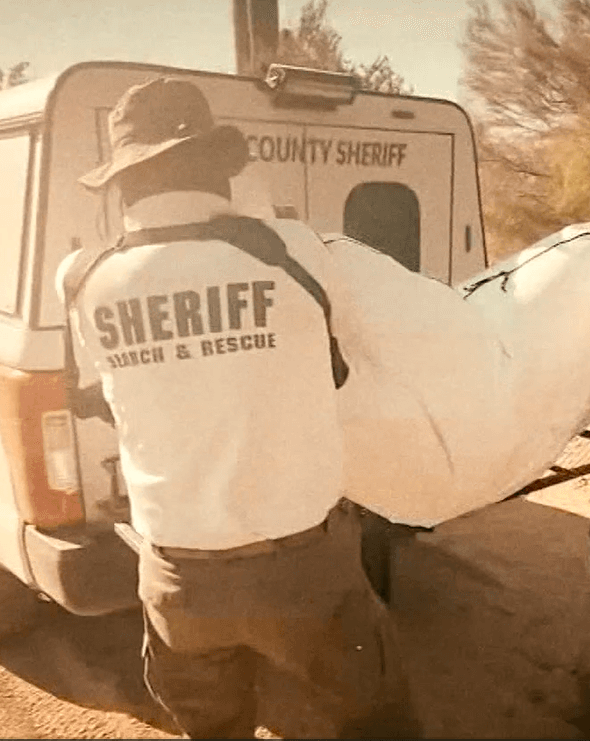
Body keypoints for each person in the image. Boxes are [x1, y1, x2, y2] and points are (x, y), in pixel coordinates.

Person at [57, 76, 422, 740]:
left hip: (176, 575)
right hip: (302, 567)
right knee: (377, 723)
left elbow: (112, 393)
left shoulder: (83, 279)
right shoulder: (296, 252)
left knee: (214, 730)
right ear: (219, 166)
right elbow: (346, 361)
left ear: (121, 183)